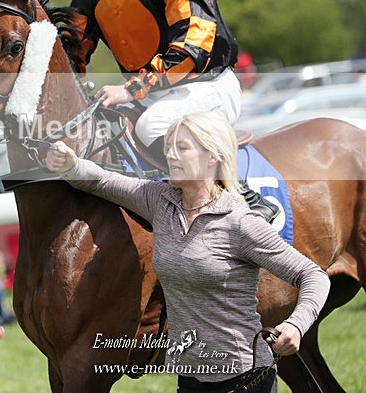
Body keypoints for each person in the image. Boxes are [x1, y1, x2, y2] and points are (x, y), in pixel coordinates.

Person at [45, 112, 330, 392]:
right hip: (191, 379)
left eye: (181, 148)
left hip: (245, 378)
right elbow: (102, 181)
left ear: (212, 157)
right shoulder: (159, 201)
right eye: (168, 147)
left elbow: (313, 276)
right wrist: (70, 164)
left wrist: (295, 325)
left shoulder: (239, 222)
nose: (170, 154)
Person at [55, 0, 277, 220]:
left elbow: (195, 45)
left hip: (208, 85)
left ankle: (240, 201)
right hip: (151, 95)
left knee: (152, 127)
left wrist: (133, 89)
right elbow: (73, 56)